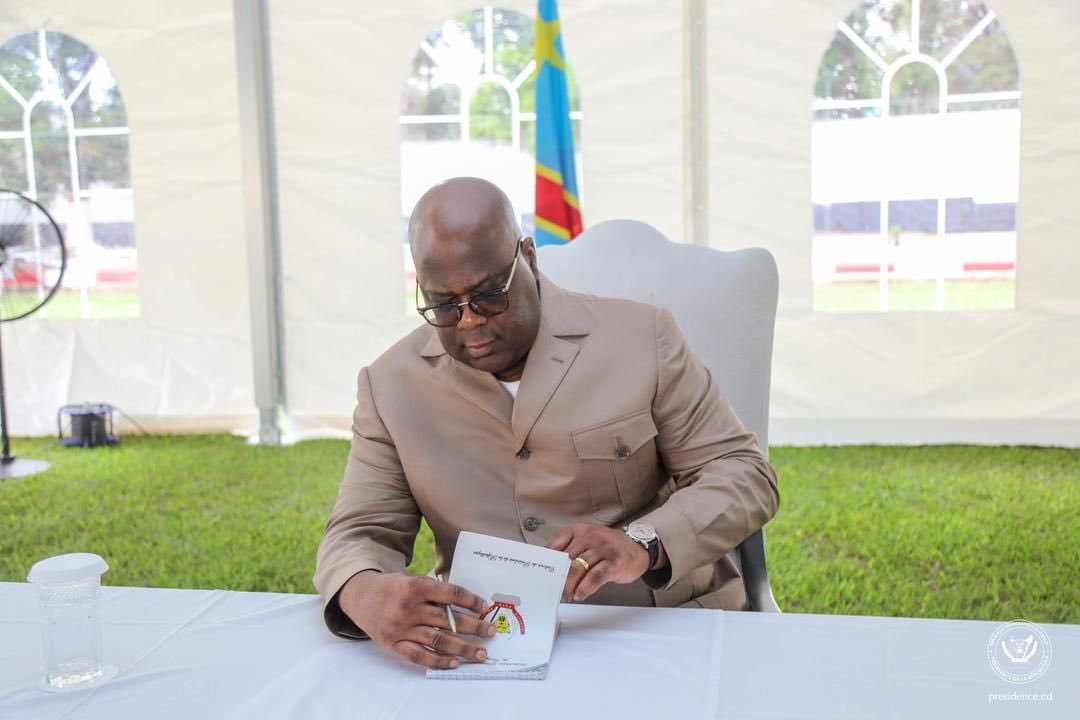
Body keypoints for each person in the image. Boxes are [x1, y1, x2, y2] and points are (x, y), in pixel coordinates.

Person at [314, 177, 779, 670]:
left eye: (489, 295)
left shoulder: (644, 339)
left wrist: (644, 542)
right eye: (444, 305)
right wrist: (362, 591)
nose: (469, 322)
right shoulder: (390, 385)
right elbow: (360, 530)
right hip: (485, 648)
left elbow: (744, 474)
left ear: (529, 258)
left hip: (655, 626)